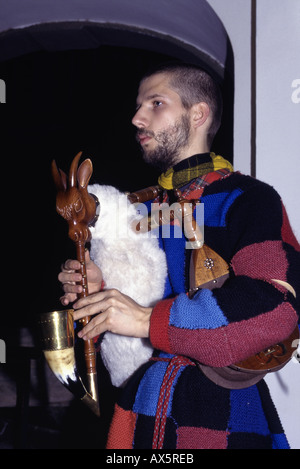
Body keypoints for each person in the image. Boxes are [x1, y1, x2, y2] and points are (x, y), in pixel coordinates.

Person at [58, 63, 300, 449]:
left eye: (156, 103)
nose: (137, 117)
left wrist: (144, 319)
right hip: (142, 404)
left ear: (198, 114)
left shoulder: (249, 199)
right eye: (139, 106)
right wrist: (101, 290)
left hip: (223, 412)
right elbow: (139, 313)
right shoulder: (143, 211)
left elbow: (276, 304)